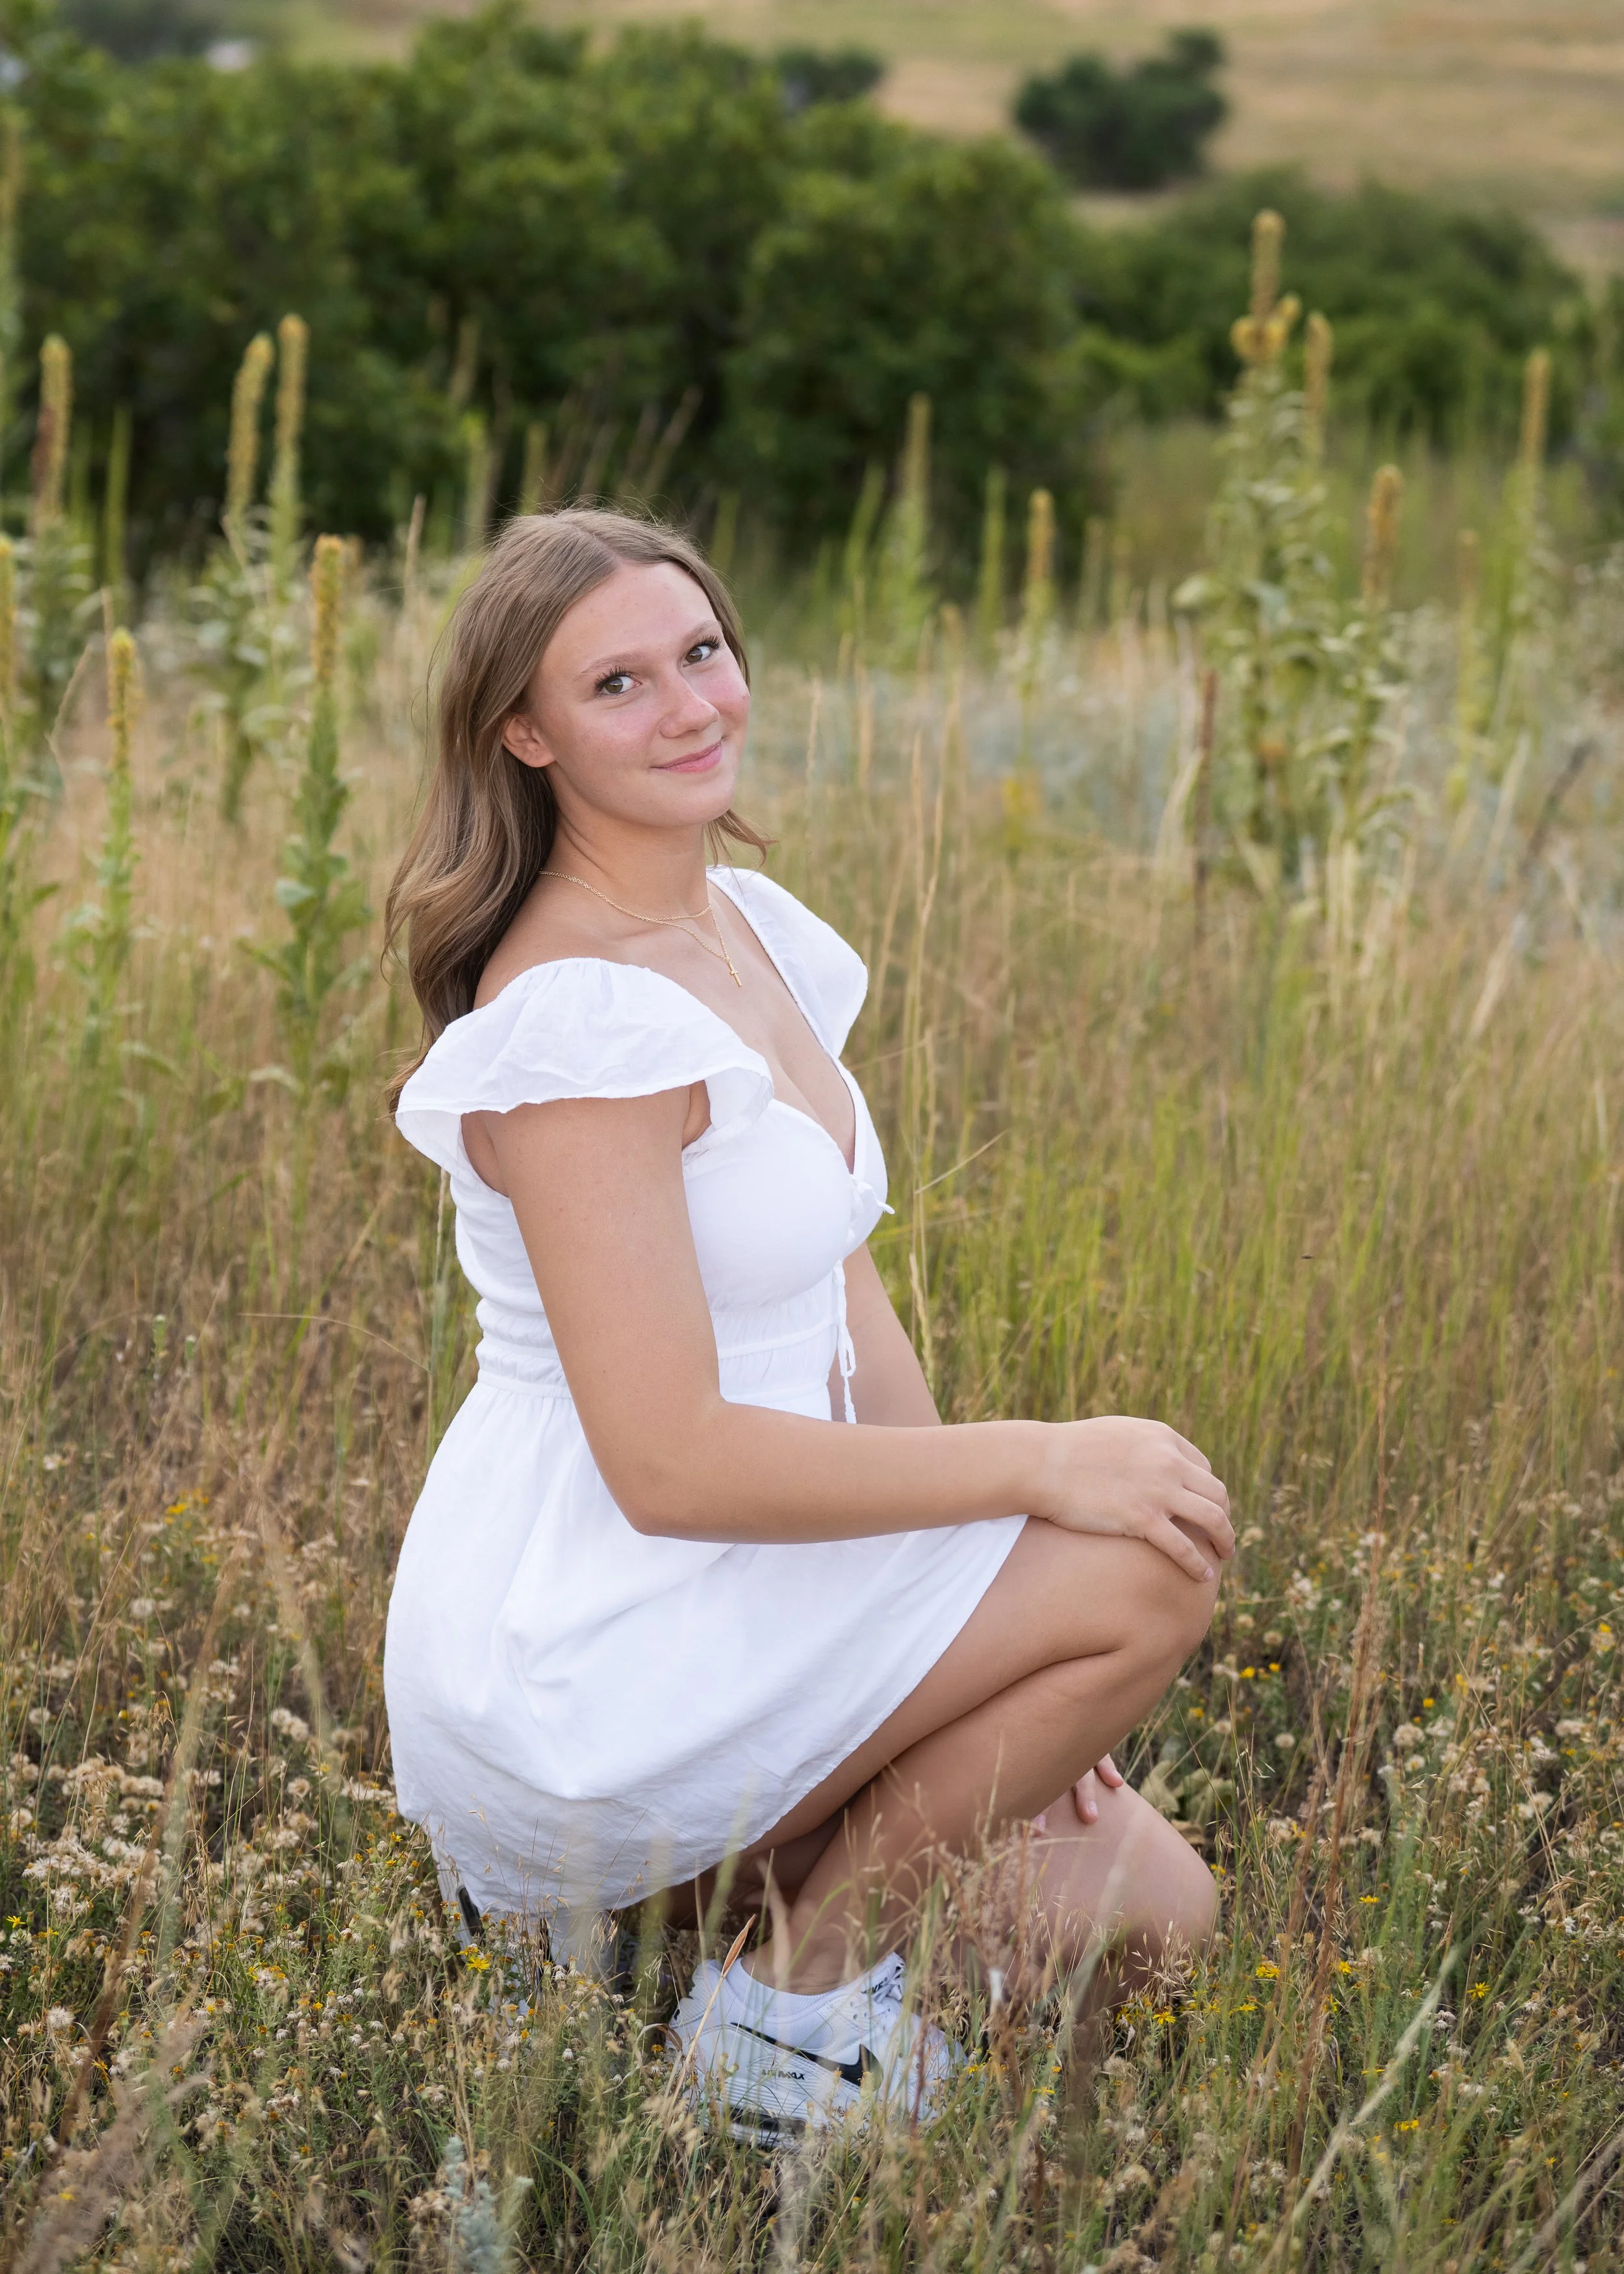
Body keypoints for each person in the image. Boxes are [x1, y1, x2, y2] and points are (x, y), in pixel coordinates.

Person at [382, 506, 1232, 2143]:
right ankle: (781, 2014)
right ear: (525, 732)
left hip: (767, 1596)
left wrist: (981, 1631)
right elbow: (671, 1465)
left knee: (1151, 1914)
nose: (691, 704)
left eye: (699, 651)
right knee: (1148, 1550)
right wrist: (1049, 1474)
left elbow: (846, 1286)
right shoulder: (577, 1025)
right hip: (603, 1638)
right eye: (618, 683)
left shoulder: (745, 933)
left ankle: (726, 1942)